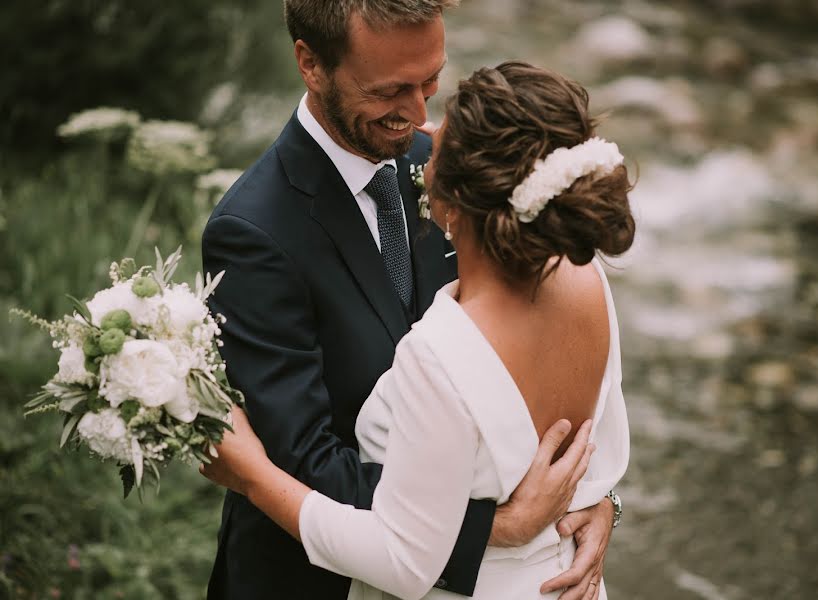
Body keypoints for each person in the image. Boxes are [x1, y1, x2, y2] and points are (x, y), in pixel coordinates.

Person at [201, 1, 618, 598]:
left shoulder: (463, 172)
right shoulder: (253, 232)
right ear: (311, 64)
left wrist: (596, 498)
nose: (419, 116)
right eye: (391, 90)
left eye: (430, 82)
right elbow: (305, 459)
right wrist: (501, 528)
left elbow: (553, 385)